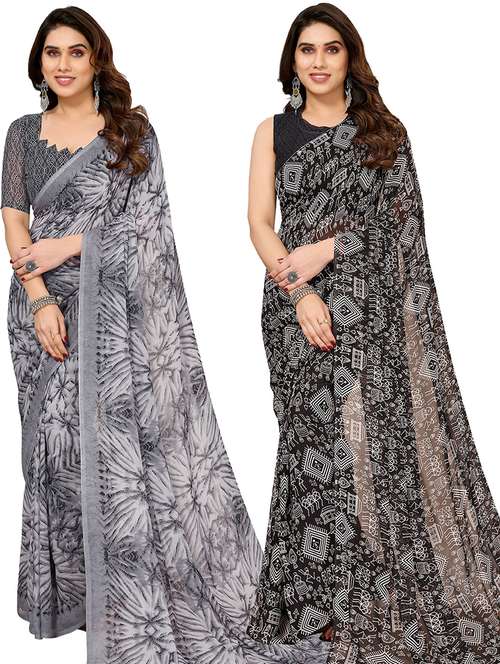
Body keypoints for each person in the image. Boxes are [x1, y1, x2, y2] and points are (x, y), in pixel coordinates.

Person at [1, 6, 332, 663]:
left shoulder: (131, 132)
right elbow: (14, 220)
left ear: (97, 59)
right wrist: (38, 299)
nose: (62, 65)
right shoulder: (21, 134)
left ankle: (133, 604)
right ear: (38, 63)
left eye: (75, 52)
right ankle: (86, 600)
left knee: (119, 458)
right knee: (56, 452)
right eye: (51, 53)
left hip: (120, 315)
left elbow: (150, 228)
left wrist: (69, 244)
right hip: (44, 310)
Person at [245, 3, 500, 663]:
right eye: (307, 49)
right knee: (309, 448)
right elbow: (260, 224)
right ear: (291, 60)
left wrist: (331, 249)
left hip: (370, 306)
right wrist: (300, 291)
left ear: (349, 57)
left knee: (366, 450)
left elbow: (402, 228)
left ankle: (367, 600)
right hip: (291, 306)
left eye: (331, 49)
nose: (319, 61)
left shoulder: (383, 133)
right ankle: (317, 608)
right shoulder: (272, 130)